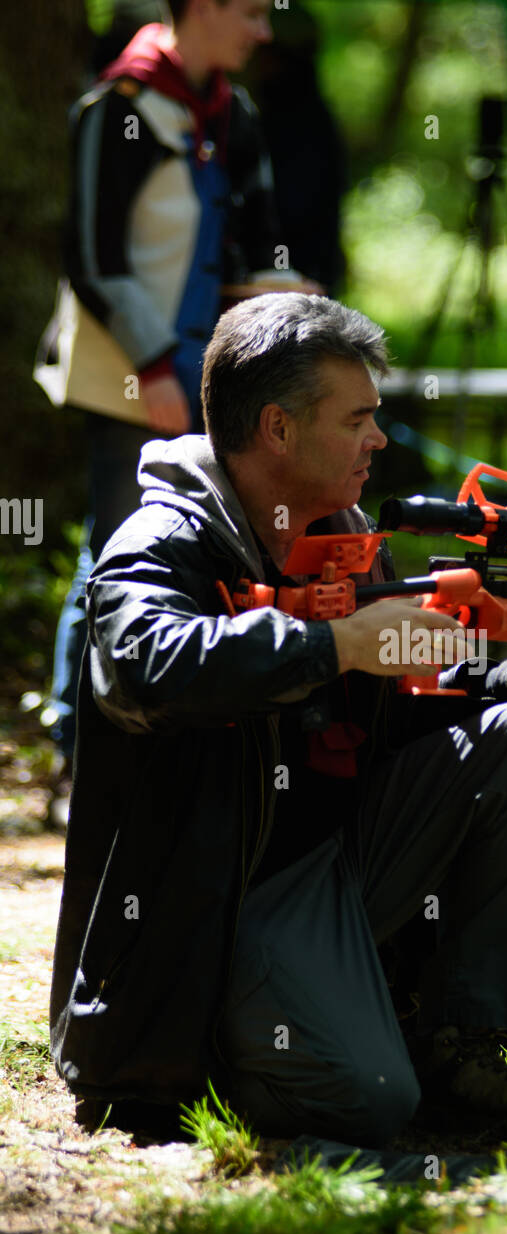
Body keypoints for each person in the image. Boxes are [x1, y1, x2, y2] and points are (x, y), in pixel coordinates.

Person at [50, 292, 507, 1147]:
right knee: (369, 1102)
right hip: (214, 915)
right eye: (358, 419)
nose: (379, 440)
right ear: (277, 430)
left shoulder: (341, 534)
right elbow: (144, 668)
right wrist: (335, 647)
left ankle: (457, 1045)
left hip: (332, 862)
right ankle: (227, 1050)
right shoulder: (164, 539)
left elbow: (387, 721)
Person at [34, 0, 317, 821]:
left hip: (214, 375)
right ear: (203, 9)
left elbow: (259, 242)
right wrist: (154, 370)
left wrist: (283, 294)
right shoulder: (115, 108)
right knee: (116, 545)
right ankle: (74, 747)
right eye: (253, 13)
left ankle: (174, 743)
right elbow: (92, 258)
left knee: (215, 548)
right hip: (134, 374)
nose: (265, 32)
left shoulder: (237, 113)